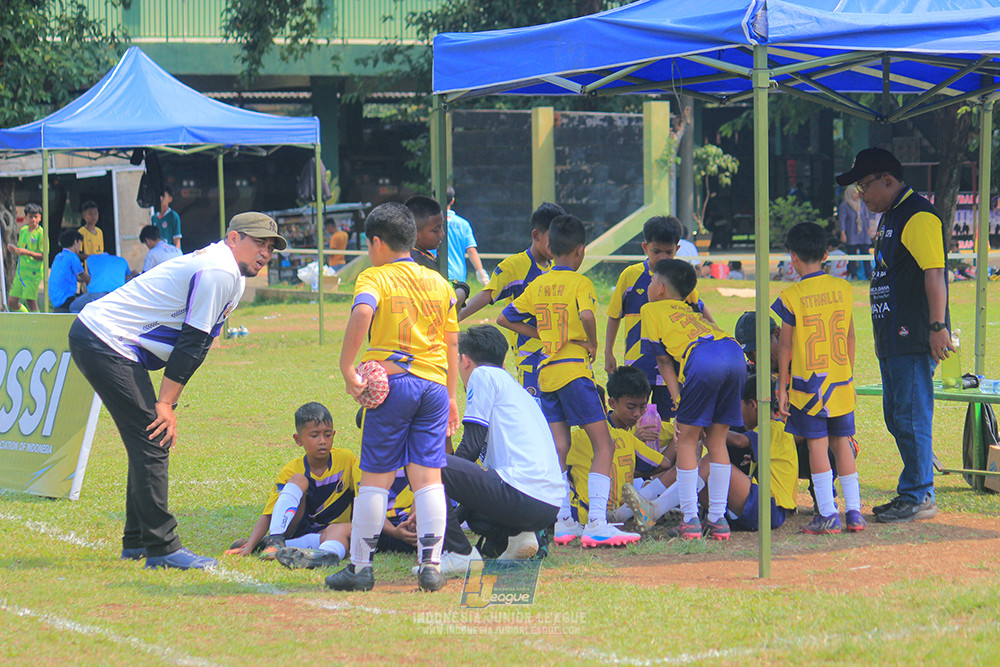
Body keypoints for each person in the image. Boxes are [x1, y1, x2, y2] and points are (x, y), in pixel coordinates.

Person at [67, 212, 285, 570]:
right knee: (153, 437)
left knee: (147, 437)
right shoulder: (219, 270)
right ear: (233, 237)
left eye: (271, 247)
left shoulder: (232, 275)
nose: (266, 252)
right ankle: (162, 548)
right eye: (259, 243)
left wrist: (169, 401)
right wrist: (165, 403)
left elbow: (198, 345)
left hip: (109, 341)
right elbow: (192, 341)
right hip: (103, 339)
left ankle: (137, 541)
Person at [327, 202, 459, 593]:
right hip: (434, 388)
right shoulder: (440, 282)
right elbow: (453, 343)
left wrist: (347, 365)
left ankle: (360, 568)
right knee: (428, 479)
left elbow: (363, 313)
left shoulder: (375, 276)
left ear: (376, 242)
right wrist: (451, 397)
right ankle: (430, 567)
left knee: (376, 479)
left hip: (394, 384)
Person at [498, 214, 640, 548]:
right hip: (574, 372)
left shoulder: (539, 282)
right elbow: (588, 315)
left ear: (550, 246)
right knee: (603, 443)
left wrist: (540, 335)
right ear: (579, 251)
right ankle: (597, 523)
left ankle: (562, 521)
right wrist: (591, 342)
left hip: (546, 374)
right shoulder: (581, 283)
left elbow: (506, 316)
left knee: (558, 447)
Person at [837, 147, 949, 523]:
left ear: (888, 179)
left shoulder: (917, 215)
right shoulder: (891, 216)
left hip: (914, 334)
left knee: (912, 415)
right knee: (897, 416)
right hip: (892, 336)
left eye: (864, 185)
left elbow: (934, 272)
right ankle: (913, 490)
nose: (861, 195)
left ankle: (919, 494)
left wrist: (937, 327)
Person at [435, 325, 563, 571]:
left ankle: (458, 552)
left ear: (464, 360)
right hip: (547, 508)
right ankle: (520, 536)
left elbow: (470, 449)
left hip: (522, 494)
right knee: (473, 514)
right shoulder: (513, 386)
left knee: (428, 463)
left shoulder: (482, 376)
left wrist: (431, 492)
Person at [640, 258, 745, 540]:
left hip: (703, 357)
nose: (649, 287)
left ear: (660, 288)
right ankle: (718, 520)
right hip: (733, 352)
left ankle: (689, 520)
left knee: (686, 440)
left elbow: (663, 363)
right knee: (717, 440)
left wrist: (678, 402)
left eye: (651, 282)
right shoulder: (692, 309)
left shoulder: (650, 310)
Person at [772, 222, 862, 534]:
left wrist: (783, 386)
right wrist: (847, 373)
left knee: (817, 446)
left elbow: (785, 345)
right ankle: (854, 511)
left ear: (792, 257)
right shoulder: (844, 289)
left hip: (808, 387)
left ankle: (827, 512)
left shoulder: (791, 295)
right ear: (826, 254)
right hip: (840, 381)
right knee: (843, 444)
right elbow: (850, 336)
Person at [623, 374, 798, 533]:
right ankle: (625, 512)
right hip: (757, 509)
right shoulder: (767, 431)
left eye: (738, 407)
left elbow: (740, 441)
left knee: (709, 463)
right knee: (690, 471)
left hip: (772, 509)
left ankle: (656, 510)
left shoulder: (774, 427)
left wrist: (706, 428)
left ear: (753, 404)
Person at [605, 216, 714, 423]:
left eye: (669, 252)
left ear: (677, 249)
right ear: (645, 247)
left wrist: (717, 333)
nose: (663, 257)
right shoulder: (630, 275)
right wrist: (608, 352)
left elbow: (700, 311)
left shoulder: (680, 277)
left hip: (671, 365)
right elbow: (614, 316)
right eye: (657, 251)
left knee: (666, 422)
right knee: (636, 418)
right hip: (639, 363)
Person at [225, 402, 354, 570]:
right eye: (314, 435)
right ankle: (275, 540)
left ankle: (320, 556)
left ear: (334, 435)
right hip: (297, 529)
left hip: (328, 534)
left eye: (328, 435)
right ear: (298, 440)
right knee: (299, 479)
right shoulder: (291, 470)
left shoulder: (346, 460)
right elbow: (269, 514)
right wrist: (249, 546)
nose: (322, 441)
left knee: (343, 531)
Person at [459, 202, 563, 394]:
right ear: (536, 235)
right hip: (530, 357)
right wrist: (456, 318)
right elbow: (487, 294)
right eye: (553, 238)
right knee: (535, 409)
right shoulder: (514, 266)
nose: (558, 244)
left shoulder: (560, 267)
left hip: (561, 354)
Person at [567, 368, 672, 529]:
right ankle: (660, 507)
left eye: (642, 407)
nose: (637, 414)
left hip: (591, 509)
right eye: (630, 407)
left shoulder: (648, 423)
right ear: (611, 403)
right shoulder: (623, 436)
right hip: (616, 501)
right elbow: (666, 463)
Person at [445, 186, 489, 285]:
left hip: (435, 274)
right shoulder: (463, 224)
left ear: (435, 199)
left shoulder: (430, 222)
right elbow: (471, 249)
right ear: (452, 201)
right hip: (457, 277)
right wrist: (481, 272)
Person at [7, 202, 44, 312]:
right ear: (25, 217)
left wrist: (26, 252)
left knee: (30, 301)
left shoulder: (41, 233)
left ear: (40, 218)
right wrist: (14, 248)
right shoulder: (23, 230)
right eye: (31, 217)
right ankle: (27, 317)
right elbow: (21, 249)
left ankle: (38, 324)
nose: (33, 219)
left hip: (33, 273)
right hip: (21, 272)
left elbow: (43, 256)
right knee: (12, 302)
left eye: (36, 217)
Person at [838, 185, 875, 280]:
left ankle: (869, 275)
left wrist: (869, 230)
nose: (856, 194)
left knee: (865, 254)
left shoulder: (862, 204)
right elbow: (842, 220)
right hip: (851, 233)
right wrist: (843, 233)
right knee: (852, 255)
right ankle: (853, 275)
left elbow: (866, 218)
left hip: (863, 233)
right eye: (854, 192)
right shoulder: (845, 206)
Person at [49, 229, 89, 313]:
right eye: (79, 244)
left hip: (55, 299)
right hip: (66, 299)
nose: (80, 247)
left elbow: (69, 275)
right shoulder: (72, 256)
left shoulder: (59, 256)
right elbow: (84, 277)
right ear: (75, 242)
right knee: (91, 302)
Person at [405, 194, 445, 272]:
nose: (442, 234)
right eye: (436, 230)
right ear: (414, 232)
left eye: (441, 226)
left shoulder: (424, 254)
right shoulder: (419, 263)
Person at [734, 310, 779, 375]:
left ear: (777, 334)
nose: (758, 359)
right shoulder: (748, 371)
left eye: (761, 349)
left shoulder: (797, 365)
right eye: (749, 353)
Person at [152, 185, 182, 249]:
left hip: (170, 253)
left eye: (163, 196)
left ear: (170, 199)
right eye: (159, 197)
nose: (161, 199)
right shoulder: (154, 218)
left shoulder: (173, 216)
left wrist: (176, 255)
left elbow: (177, 240)